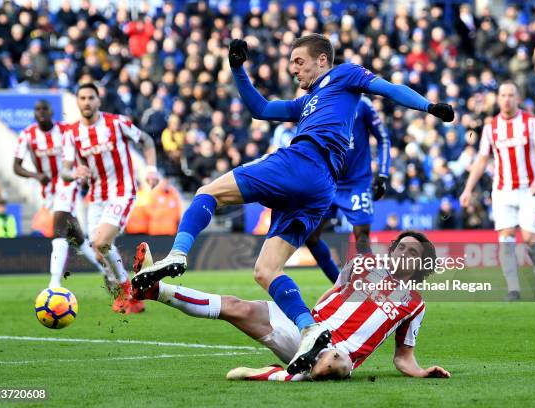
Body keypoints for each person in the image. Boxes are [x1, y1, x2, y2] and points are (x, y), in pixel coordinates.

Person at [133, 34, 454, 374]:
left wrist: (428, 107)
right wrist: (237, 69)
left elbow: (388, 88)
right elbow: (260, 109)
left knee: (207, 192)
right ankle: (310, 328)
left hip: (302, 161)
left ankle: (178, 254)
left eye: (299, 62)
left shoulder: (344, 74)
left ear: (321, 60)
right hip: (321, 189)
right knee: (266, 271)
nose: (293, 70)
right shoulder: (307, 103)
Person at [132, 231, 450, 381]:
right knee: (236, 307)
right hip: (307, 327)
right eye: (401, 247)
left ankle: (269, 374)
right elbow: (333, 291)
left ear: (421, 263)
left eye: (412, 252)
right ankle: (157, 290)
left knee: (334, 365)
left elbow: (403, 358)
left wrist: (423, 372)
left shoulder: (413, 305)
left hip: (339, 354)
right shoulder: (363, 266)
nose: (403, 253)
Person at [61, 82, 159, 314]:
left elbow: (146, 140)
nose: (86, 102)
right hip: (95, 197)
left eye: (90, 98)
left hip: (122, 191)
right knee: (98, 249)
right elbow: (65, 169)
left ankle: (127, 290)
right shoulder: (71, 134)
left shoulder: (116, 123)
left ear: (98, 101)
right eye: (82, 98)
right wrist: (74, 172)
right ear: (77, 102)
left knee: (101, 241)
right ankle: (126, 295)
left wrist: (151, 169)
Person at [459, 81, 535, 301]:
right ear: (498, 98)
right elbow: (481, 160)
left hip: (529, 189)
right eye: (503, 95)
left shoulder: (531, 122)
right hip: (502, 191)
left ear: (517, 98)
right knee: (506, 239)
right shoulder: (491, 128)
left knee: (531, 240)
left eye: (511, 95)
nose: (507, 99)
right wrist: (467, 189)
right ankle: (514, 290)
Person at [13, 100, 108, 289]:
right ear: (34, 114)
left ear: (51, 112)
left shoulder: (65, 130)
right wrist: (36, 175)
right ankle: (107, 270)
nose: (41, 113)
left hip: (68, 182)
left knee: (59, 228)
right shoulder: (28, 135)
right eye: (37, 110)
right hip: (49, 191)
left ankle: (54, 283)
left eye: (44, 109)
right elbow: (16, 166)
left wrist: (82, 171)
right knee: (77, 236)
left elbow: (81, 150)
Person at [305, 96, 391, 283]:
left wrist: (383, 174)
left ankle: (380, 290)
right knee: (310, 237)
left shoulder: (363, 104)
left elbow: (383, 138)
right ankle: (341, 286)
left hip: (357, 183)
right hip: (328, 182)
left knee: (361, 240)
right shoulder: (320, 101)